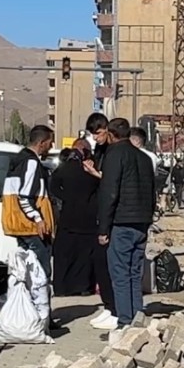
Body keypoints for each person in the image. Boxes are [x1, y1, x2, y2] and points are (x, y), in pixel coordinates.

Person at [51, 139, 117, 330]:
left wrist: (65, 199)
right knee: (86, 257)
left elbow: (53, 187)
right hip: (88, 219)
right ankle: (83, 287)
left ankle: (62, 287)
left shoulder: (63, 169)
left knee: (65, 255)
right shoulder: (91, 170)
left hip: (68, 219)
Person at [97, 117, 156, 329]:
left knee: (120, 273)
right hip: (141, 221)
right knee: (134, 272)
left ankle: (125, 321)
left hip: (121, 222)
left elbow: (109, 192)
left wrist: (103, 227)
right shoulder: (144, 158)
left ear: (111, 135)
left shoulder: (114, 155)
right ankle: (137, 317)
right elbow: (152, 191)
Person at [2, 125, 57, 305]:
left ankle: (29, 312)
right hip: (31, 227)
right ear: (41, 143)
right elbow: (25, 197)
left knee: (27, 270)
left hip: (20, 225)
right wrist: (39, 219)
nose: (51, 146)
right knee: (40, 272)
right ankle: (40, 313)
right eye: (49, 142)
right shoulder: (31, 163)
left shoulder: (18, 160)